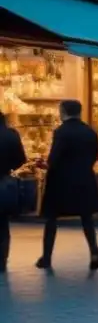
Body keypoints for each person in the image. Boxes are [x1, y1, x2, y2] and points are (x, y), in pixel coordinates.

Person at [37, 100, 98, 270]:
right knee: (86, 217)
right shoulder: (90, 131)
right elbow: (96, 154)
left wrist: (43, 164)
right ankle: (94, 251)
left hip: (61, 181)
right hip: (84, 178)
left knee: (51, 218)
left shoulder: (61, 132)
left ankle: (46, 257)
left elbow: (54, 158)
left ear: (63, 111)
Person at [0, 112, 28, 272]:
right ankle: (2, 260)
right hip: (4, 182)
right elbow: (21, 160)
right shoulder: (12, 135)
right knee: (3, 224)